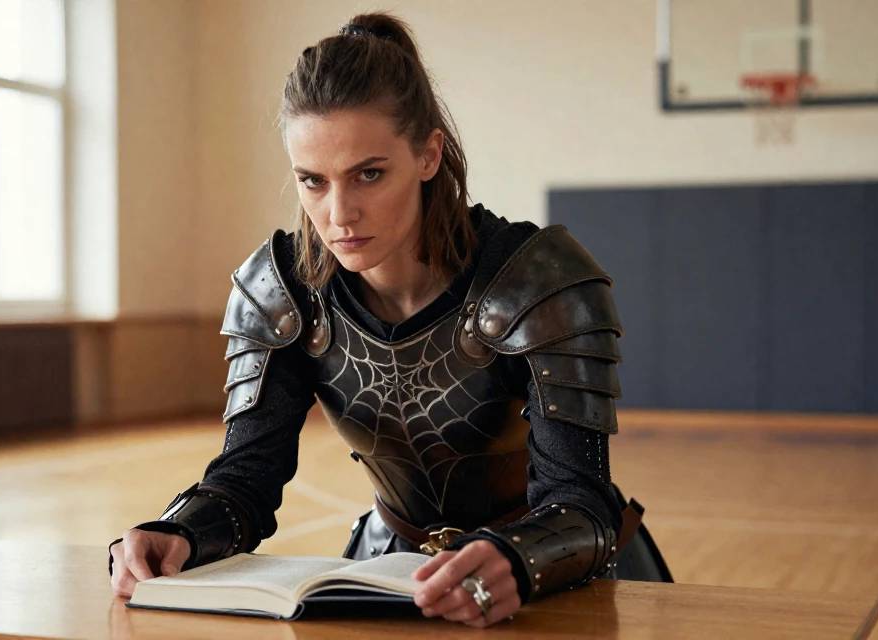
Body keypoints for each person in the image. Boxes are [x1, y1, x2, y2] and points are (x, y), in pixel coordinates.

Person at [109, 11, 671, 628]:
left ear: (429, 154)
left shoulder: (537, 280)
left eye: (368, 174)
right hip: (385, 569)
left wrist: (514, 557)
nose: (339, 213)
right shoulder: (283, 292)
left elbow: (581, 500)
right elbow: (246, 475)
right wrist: (178, 530)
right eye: (312, 181)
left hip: (551, 574)